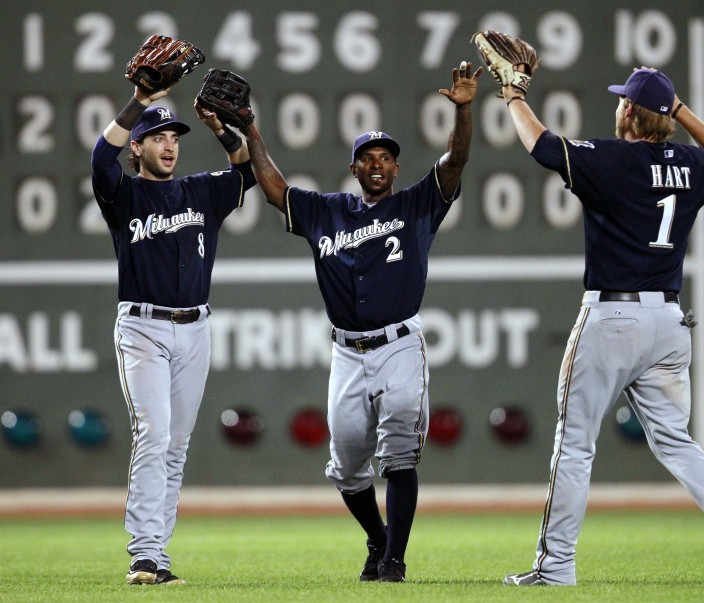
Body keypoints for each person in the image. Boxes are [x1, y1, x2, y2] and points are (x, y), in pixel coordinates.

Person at [498, 64, 704, 586]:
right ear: (667, 117)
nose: (617, 106)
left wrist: (512, 96)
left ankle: (556, 568)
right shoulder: (691, 164)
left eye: (624, 101)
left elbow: (542, 146)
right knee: (677, 441)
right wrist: (677, 108)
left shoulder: (613, 158)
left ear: (628, 112)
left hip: (612, 317)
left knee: (574, 443)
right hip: (667, 322)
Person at [238, 61, 482, 582]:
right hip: (347, 352)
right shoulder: (328, 212)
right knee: (347, 468)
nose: (377, 164)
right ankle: (378, 538)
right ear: (354, 169)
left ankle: (393, 559)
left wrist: (464, 110)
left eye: (386, 158)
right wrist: (252, 131)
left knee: (398, 456)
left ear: (396, 169)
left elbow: (457, 159)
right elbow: (275, 190)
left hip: (399, 346)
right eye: (367, 157)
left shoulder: (417, 205)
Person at [90, 81, 257, 585]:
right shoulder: (124, 193)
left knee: (176, 445)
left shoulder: (201, 191)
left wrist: (222, 130)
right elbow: (101, 157)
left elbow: (245, 171)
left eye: (174, 137)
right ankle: (142, 553)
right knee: (155, 435)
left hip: (195, 329)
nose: (168, 144)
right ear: (137, 147)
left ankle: (158, 558)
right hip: (143, 328)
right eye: (157, 136)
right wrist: (139, 101)